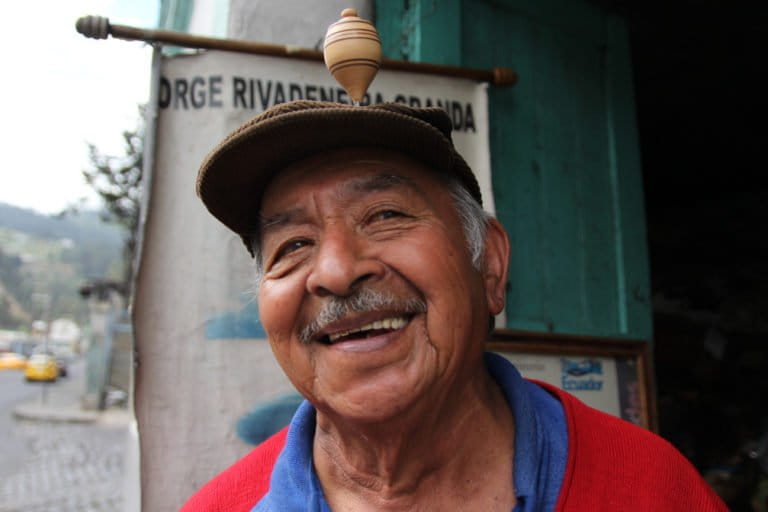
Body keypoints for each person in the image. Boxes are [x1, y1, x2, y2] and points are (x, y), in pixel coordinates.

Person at [182, 100, 727, 511]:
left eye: (385, 215)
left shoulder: (652, 488)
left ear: (489, 264)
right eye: (293, 245)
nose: (336, 271)